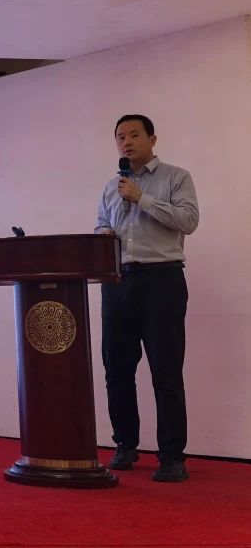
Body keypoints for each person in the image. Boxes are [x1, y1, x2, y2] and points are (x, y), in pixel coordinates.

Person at [95, 114, 198, 483]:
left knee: (165, 369)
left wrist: (143, 199)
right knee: (117, 369)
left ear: (152, 139)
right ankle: (125, 445)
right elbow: (101, 224)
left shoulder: (176, 177)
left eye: (134, 135)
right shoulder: (111, 187)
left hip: (161, 280)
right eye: (120, 136)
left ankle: (172, 456)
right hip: (118, 281)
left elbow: (188, 221)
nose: (126, 142)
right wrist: (103, 233)